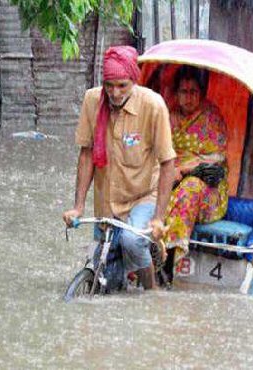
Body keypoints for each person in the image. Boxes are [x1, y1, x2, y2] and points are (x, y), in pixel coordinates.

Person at [62, 46, 176, 290]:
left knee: (132, 240)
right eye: (109, 85)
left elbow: (168, 162)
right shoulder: (92, 101)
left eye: (122, 85)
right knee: (106, 278)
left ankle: (152, 289)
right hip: (107, 200)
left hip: (143, 194)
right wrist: (78, 207)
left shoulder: (153, 106)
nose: (114, 92)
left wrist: (158, 217)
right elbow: (86, 155)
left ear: (134, 81)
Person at [163, 66, 228, 272]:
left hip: (207, 190)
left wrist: (183, 169)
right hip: (170, 178)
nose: (188, 98)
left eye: (193, 92)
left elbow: (217, 158)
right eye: (183, 92)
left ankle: (171, 255)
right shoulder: (168, 118)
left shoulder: (211, 118)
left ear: (200, 93)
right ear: (176, 94)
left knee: (190, 189)